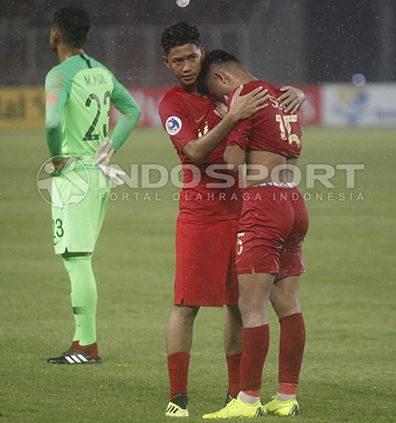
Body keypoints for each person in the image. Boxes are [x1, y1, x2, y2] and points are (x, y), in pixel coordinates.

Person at [158, 23, 306, 417]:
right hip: (200, 214)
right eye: (178, 61)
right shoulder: (172, 105)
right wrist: (232, 118)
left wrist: (296, 95)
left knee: (240, 306)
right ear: (166, 64)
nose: (187, 67)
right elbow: (194, 151)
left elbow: (258, 93)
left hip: (245, 208)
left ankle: (238, 394)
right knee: (186, 303)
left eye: (192, 57)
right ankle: (178, 396)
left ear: (203, 54)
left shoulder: (221, 87)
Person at [199, 50, 308, 419]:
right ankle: (286, 396)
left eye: (216, 95)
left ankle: (246, 401)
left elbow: (231, 164)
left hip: (263, 205)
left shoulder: (245, 99)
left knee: (251, 307)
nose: (221, 103)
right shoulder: (282, 95)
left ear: (222, 80)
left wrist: (229, 120)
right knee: (288, 305)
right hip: (293, 201)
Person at [43, 6, 141, 365]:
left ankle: (86, 346)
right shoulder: (100, 71)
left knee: (77, 259)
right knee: (80, 257)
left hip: (75, 175)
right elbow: (131, 111)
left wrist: (55, 158)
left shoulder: (59, 75)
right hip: (98, 174)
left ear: (56, 34)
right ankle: (82, 342)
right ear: (85, 37)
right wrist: (109, 148)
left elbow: (53, 124)